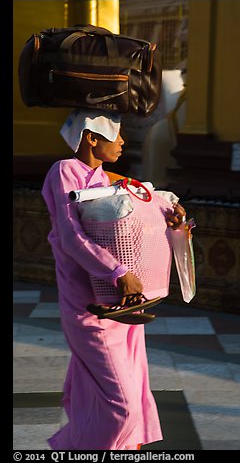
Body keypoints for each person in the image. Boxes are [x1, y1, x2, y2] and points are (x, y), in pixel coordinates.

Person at [41, 108, 186, 450]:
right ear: (91, 138)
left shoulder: (111, 181)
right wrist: (117, 271)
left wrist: (173, 217)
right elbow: (70, 237)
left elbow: (139, 219)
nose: (123, 142)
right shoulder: (64, 172)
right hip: (89, 309)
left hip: (124, 306)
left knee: (125, 393)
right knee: (122, 409)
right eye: (116, 135)